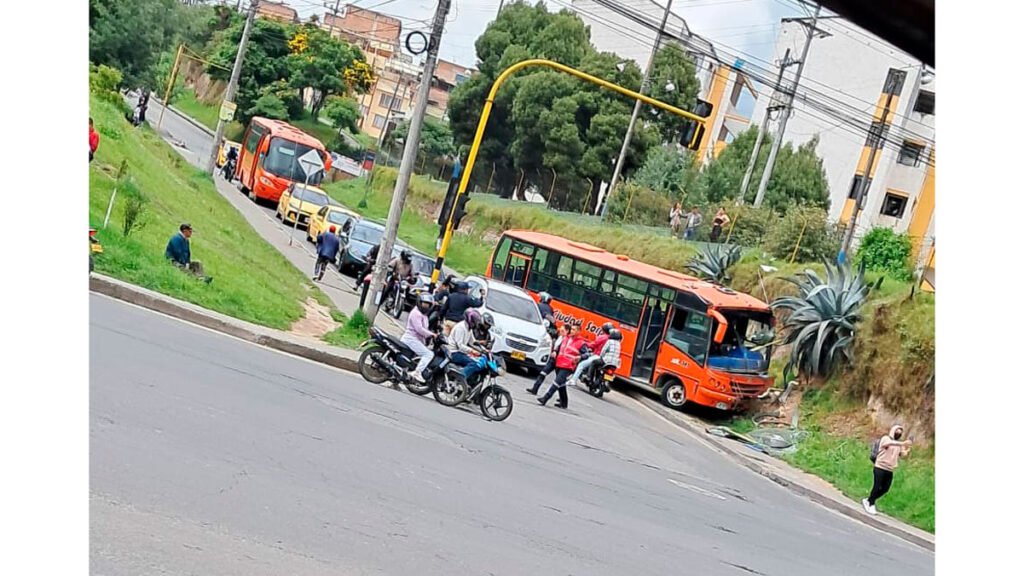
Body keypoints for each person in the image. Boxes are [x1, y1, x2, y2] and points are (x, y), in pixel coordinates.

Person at [863, 425, 913, 515]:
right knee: (877, 486)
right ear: (893, 431)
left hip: (890, 469)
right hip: (880, 467)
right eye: (897, 431)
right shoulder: (886, 438)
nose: (899, 433)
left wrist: (907, 450)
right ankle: (871, 504)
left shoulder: (898, 444)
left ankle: (869, 500)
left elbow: (902, 454)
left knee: (885, 488)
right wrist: (903, 443)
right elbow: (888, 443)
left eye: (900, 433)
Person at [537, 323, 586, 409]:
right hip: (559, 363)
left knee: (556, 382)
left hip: (569, 366)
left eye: (574, 330)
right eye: (571, 329)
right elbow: (559, 347)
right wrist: (555, 351)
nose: (572, 331)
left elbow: (587, 354)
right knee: (561, 383)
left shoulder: (581, 343)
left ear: (578, 331)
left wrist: (580, 357)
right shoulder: (566, 338)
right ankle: (564, 402)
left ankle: (545, 398)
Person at [401, 293, 437, 383]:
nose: (425, 306)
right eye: (424, 304)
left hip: (416, 340)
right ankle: (417, 372)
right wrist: (431, 334)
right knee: (428, 354)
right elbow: (419, 329)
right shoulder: (416, 313)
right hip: (411, 339)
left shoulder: (424, 315)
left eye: (428, 304)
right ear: (419, 303)